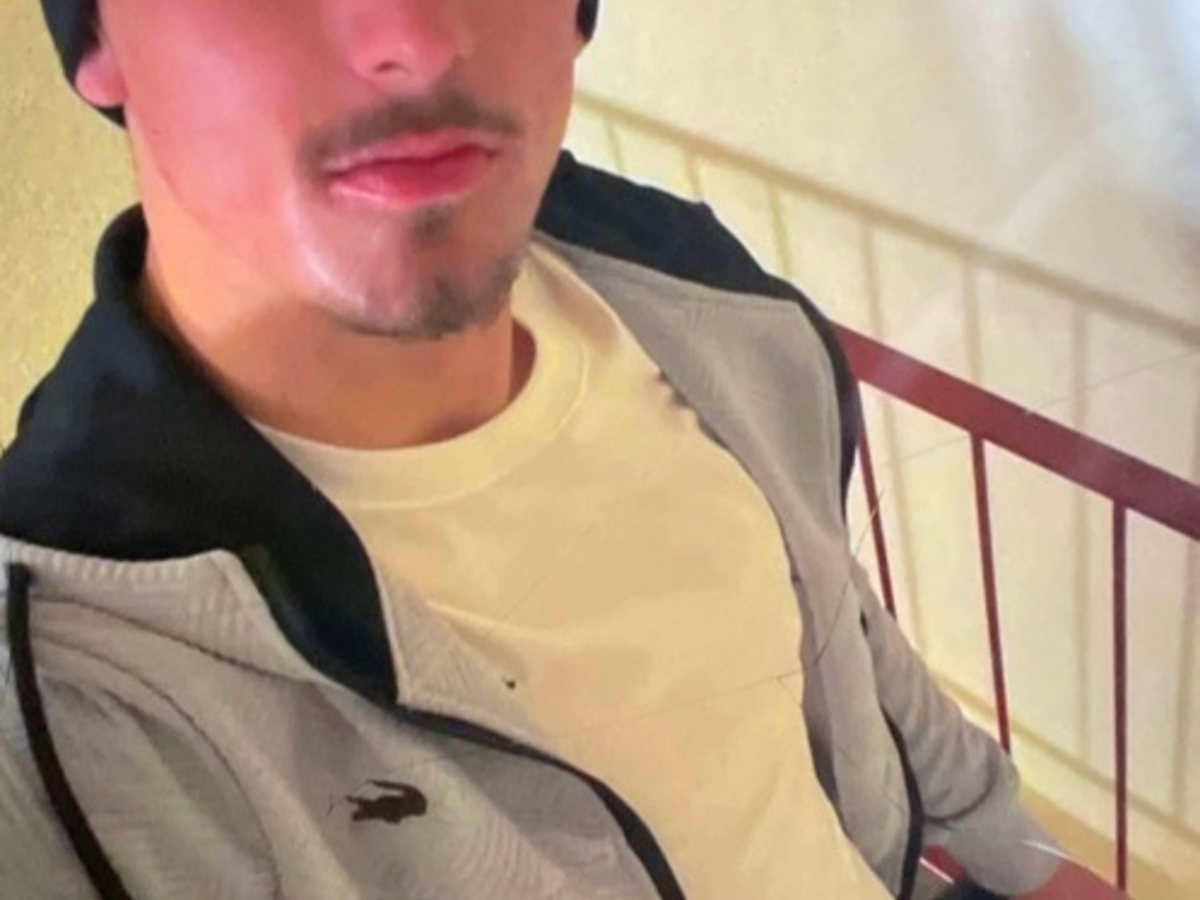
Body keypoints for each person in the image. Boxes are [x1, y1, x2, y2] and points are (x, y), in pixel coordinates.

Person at [0, 1, 1081, 898]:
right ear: (97, 38)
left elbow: (834, 618)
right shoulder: (65, 726)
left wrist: (1024, 858)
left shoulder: (704, 303)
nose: (417, 38)